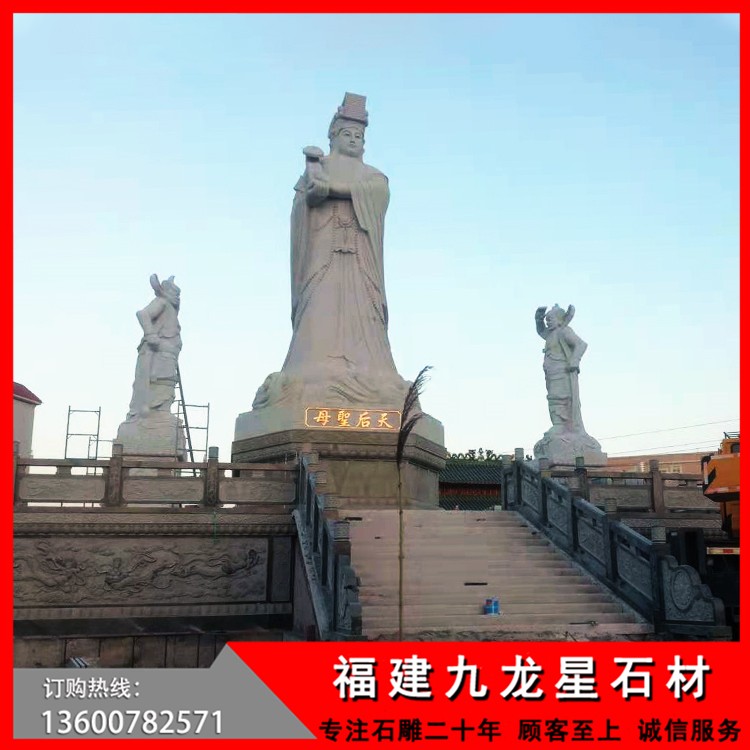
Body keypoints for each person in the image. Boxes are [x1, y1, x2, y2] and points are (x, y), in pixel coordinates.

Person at [253, 93, 409, 409]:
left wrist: (335, 190)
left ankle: (370, 372)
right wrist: (313, 193)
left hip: (360, 261)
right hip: (323, 256)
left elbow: (379, 194)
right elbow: (303, 203)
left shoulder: (372, 175)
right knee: (320, 309)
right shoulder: (318, 167)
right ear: (333, 136)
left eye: (359, 136)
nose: (353, 140)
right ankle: (311, 368)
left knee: (364, 313)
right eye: (347, 134)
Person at [126, 274, 182, 419]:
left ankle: (161, 411)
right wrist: (150, 334)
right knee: (158, 381)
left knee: (168, 382)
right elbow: (143, 314)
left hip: (168, 355)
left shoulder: (171, 308)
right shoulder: (162, 302)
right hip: (158, 354)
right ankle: (153, 413)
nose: (177, 297)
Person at [535, 304, 588, 433]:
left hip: (562, 371)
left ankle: (563, 424)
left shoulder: (564, 331)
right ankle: (557, 423)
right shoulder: (550, 334)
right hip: (551, 373)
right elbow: (541, 331)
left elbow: (581, 344)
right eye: (546, 320)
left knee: (561, 396)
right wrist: (538, 319)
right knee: (552, 397)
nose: (547, 323)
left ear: (559, 320)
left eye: (550, 319)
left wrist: (575, 360)